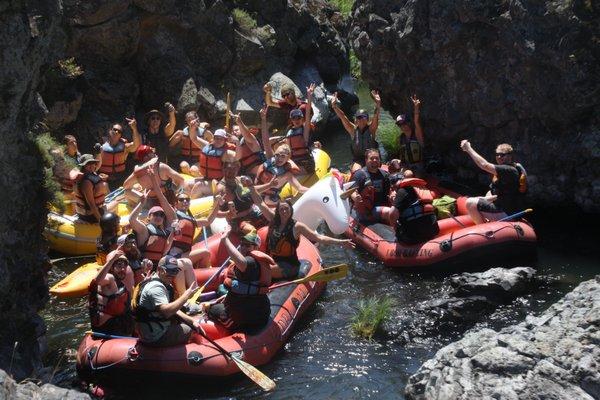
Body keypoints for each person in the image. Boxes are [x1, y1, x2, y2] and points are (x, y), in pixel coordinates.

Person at [249, 186, 355, 279]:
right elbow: (260, 202)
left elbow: (319, 238)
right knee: (254, 265)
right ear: (277, 211)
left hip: (289, 265)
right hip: (273, 259)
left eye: (286, 209)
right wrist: (250, 186)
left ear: (291, 210)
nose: (284, 212)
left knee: (263, 271)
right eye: (281, 209)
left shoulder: (297, 226)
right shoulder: (272, 219)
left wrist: (341, 242)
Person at [207, 228, 273, 330]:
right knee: (221, 293)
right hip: (256, 310)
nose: (243, 247)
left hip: (249, 317)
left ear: (256, 247)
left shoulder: (251, 262)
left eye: (247, 245)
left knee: (211, 309)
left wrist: (225, 239)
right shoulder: (252, 262)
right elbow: (242, 287)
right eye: (242, 244)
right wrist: (227, 297)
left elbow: (242, 262)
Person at [132, 256, 200, 346]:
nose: (172, 275)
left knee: (189, 320)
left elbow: (173, 310)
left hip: (153, 328)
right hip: (155, 336)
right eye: (169, 271)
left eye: (175, 271)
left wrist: (191, 320)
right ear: (160, 269)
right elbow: (167, 312)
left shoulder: (161, 282)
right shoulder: (156, 287)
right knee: (190, 330)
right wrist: (185, 296)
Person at [460, 141, 527, 223]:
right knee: (488, 194)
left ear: (510, 156)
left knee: (469, 202)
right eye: (497, 155)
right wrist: (484, 198)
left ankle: (482, 230)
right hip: (509, 209)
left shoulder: (508, 170)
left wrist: (468, 149)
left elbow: (484, 165)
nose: (499, 157)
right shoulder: (513, 169)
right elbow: (504, 194)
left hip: (506, 213)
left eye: (502, 155)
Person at [330, 90, 382, 173]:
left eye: (363, 117)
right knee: (356, 171)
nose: (361, 119)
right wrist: (334, 106)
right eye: (359, 117)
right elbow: (343, 117)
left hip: (373, 158)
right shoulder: (353, 130)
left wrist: (378, 103)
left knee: (371, 167)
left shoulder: (371, 129)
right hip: (359, 160)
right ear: (355, 120)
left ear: (367, 119)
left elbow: (376, 116)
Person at [215, 152, 266, 233]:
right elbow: (216, 213)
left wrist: (270, 185)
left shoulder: (239, 179)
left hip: (252, 211)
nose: (231, 171)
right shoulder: (221, 189)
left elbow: (253, 190)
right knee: (251, 231)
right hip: (237, 220)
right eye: (229, 168)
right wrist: (228, 213)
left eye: (234, 168)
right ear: (223, 169)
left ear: (238, 169)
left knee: (273, 219)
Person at [167, 192, 221, 268]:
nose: (185, 201)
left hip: (184, 254)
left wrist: (218, 204)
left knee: (205, 253)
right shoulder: (173, 215)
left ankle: (201, 274)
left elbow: (208, 221)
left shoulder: (191, 219)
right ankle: (203, 274)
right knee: (205, 253)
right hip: (174, 256)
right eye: (181, 200)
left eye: (187, 200)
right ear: (176, 204)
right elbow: (162, 199)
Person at [88, 249, 135, 336]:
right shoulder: (109, 278)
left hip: (115, 327)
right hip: (107, 330)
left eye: (124, 266)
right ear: (111, 267)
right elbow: (97, 281)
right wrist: (111, 260)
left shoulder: (120, 283)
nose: (122, 269)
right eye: (119, 265)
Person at [349, 149, 396, 225]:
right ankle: (398, 231)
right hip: (368, 211)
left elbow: (390, 190)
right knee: (389, 211)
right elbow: (352, 190)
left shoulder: (384, 174)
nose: (375, 160)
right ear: (366, 160)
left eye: (377, 158)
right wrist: (355, 197)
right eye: (371, 158)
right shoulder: (359, 175)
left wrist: (393, 195)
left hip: (382, 205)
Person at [390, 178, 439, 244]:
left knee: (397, 231)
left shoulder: (402, 190)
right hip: (433, 232)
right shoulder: (424, 189)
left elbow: (392, 213)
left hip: (413, 237)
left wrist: (394, 227)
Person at [98, 121, 141, 189]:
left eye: (119, 131)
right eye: (115, 129)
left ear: (121, 135)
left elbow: (136, 145)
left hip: (120, 179)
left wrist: (134, 129)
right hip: (104, 179)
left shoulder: (125, 147)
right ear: (110, 131)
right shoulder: (101, 146)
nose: (117, 132)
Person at [284, 83, 316, 174]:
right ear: (291, 120)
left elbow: (308, 111)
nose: (296, 120)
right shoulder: (289, 133)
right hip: (295, 162)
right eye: (294, 118)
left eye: (299, 118)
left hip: (306, 163)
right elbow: (288, 151)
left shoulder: (304, 129)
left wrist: (309, 96)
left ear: (302, 119)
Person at [73, 154, 109, 223]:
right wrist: (101, 221)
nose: (92, 165)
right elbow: (91, 205)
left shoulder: (91, 175)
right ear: (83, 166)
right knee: (116, 202)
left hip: (96, 210)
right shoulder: (86, 182)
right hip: (90, 216)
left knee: (116, 201)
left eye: (93, 163)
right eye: (88, 164)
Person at [396, 94, 425, 175]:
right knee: (393, 163)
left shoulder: (417, 135)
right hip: (406, 165)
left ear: (408, 123)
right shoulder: (401, 138)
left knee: (408, 174)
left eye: (404, 123)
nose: (403, 126)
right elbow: (402, 156)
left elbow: (416, 122)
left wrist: (416, 108)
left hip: (417, 166)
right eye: (400, 124)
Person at [232, 114, 265, 178]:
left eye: (236, 130)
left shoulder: (249, 139)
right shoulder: (234, 145)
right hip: (246, 175)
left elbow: (247, 134)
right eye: (233, 131)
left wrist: (239, 123)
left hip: (260, 172)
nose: (234, 132)